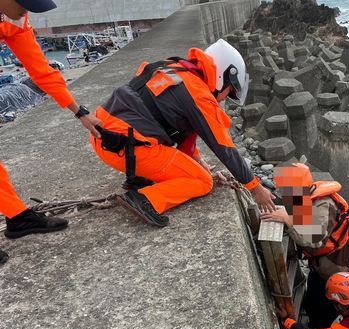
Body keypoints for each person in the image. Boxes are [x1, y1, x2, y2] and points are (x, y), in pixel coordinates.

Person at [90, 39, 275, 227]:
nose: (224, 98)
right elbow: (225, 147)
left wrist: (198, 160)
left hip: (106, 138)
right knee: (202, 181)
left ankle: (139, 178)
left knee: (188, 165)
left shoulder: (176, 69)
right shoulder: (199, 95)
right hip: (127, 148)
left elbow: (186, 127)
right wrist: (256, 187)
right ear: (223, 76)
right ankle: (146, 199)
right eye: (229, 91)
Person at [0, 0, 102, 266]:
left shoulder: (14, 21)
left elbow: (42, 72)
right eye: (23, 3)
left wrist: (80, 112)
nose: (27, 11)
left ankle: (17, 217)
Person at [261, 163, 349, 329]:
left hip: (335, 269)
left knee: (323, 310)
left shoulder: (323, 206)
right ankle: (310, 317)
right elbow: (301, 219)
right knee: (313, 299)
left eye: (287, 189)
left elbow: (313, 239)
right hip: (319, 266)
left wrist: (287, 220)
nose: (285, 193)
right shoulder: (306, 196)